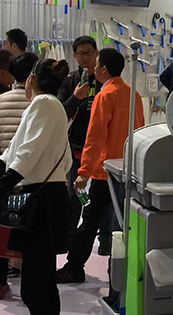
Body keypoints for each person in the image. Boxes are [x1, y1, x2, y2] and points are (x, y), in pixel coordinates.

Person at [0, 59, 72, 315]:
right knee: (43, 282)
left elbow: (26, 154)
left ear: (31, 79)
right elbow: (11, 153)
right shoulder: (47, 105)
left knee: (34, 288)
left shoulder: (43, 104)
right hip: (46, 197)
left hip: (41, 201)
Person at [57, 49, 145, 287]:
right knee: (122, 223)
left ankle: (74, 267)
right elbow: (140, 130)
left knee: (90, 220)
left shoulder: (104, 96)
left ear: (104, 69)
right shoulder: (133, 95)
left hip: (105, 171)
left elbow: (95, 138)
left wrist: (83, 172)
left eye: (96, 65)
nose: (93, 68)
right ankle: (119, 274)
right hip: (128, 169)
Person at [0, 52, 38, 298]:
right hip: (34, 179)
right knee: (32, 231)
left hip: (4, 177)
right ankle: (31, 286)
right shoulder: (41, 103)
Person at [56, 36, 111, 256]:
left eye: (89, 53)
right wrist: (76, 97)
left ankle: (105, 238)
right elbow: (60, 111)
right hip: (75, 145)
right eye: (81, 53)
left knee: (103, 194)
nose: (86, 57)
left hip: (103, 148)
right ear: (75, 56)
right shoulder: (70, 80)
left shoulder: (106, 80)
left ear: (97, 53)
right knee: (74, 192)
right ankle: (69, 237)